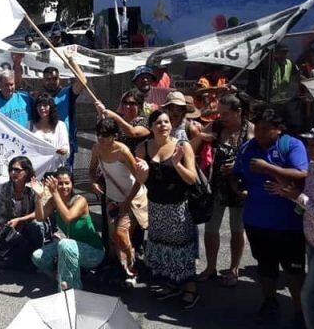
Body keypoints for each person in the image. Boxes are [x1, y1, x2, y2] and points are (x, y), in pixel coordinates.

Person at [234, 106, 308, 324]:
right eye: (257, 128)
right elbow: (237, 174)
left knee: (293, 271)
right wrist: (237, 187)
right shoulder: (248, 147)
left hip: (288, 223)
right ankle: (270, 302)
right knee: (265, 266)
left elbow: (302, 175)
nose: (259, 133)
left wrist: (268, 167)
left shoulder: (291, 145)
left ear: (278, 130)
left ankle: (300, 311)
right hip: (256, 220)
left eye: (266, 129)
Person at [266, 124, 314, 329]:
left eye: (313, 144)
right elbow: (308, 200)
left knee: (310, 297)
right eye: (308, 143)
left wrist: (298, 197)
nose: (308, 147)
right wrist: (288, 193)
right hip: (312, 240)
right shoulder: (313, 168)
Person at [135, 110, 199, 308]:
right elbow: (139, 182)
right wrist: (142, 172)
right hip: (156, 207)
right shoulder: (142, 148)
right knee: (162, 247)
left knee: (182, 249)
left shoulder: (182, 146)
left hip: (178, 208)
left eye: (166, 122)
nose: (163, 125)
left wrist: (176, 164)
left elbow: (192, 179)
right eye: (158, 122)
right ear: (151, 127)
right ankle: (171, 284)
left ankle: (190, 289)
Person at [192, 94, 253, 286]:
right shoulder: (216, 126)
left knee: (237, 229)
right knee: (211, 229)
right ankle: (211, 267)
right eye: (219, 113)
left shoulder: (249, 130)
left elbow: (257, 157)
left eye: (226, 113)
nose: (221, 117)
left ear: (239, 112)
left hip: (240, 186)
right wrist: (200, 135)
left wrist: (238, 165)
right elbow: (193, 146)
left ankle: (233, 268)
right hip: (216, 185)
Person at [89, 119, 145, 286]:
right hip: (112, 199)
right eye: (99, 134)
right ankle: (123, 269)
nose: (101, 138)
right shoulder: (96, 148)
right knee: (115, 238)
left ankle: (133, 269)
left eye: (105, 135)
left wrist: (127, 201)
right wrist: (93, 182)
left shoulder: (123, 151)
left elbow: (139, 179)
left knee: (121, 234)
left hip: (132, 199)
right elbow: (92, 170)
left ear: (115, 136)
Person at [31, 167, 105, 291]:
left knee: (65, 244)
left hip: (93, 252)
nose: (64, 187)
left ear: (72, 184)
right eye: (60, 183)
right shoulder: (54, 201)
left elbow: (68, 217)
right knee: (37, 257)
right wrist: (38, 197)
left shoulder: (80, 200)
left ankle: (71, 291)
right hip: (71, 247)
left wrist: (54, 192)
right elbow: (40, 217)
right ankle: (63, 278)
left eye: (67, 183)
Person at [0, 156, 48, 271]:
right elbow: (3, 213)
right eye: (11, 169)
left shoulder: (34, 187)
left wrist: (20, 220)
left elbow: (39, 214)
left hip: (32, 223)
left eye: (17, 170)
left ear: (27, 172)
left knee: (36, 225)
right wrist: (6, 226)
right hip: (15, 226)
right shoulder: (6, 188)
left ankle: (39, 256)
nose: (13, 173)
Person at [30, 94, 69, 167]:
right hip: (36, 170)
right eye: (39, 106)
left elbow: (65, 147)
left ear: (51, 107)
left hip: (55, 170)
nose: (42, 108)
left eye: (45, 105)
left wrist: (64, 151)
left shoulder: (60, 125)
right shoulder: (29, 125)